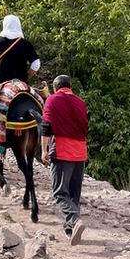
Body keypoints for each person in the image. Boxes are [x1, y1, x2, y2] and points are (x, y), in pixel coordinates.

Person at [41, 75, 88, 244]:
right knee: (74, 193)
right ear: (70, 87)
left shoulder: (52, 100)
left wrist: (44, 151)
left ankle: (74, 219)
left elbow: (46, 127)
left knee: (60, 192)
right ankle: (71, 229)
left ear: (55, 88)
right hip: (81, 151)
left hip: (62, 150)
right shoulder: (80, 102)